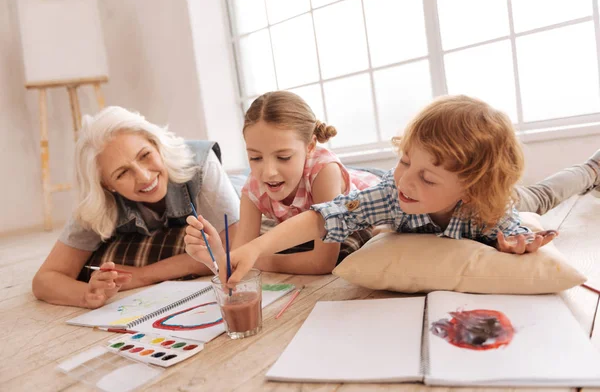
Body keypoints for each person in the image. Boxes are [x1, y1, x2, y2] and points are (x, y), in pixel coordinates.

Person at [206, 95, 599, 288]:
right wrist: (255, 248)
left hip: (509, 198)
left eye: (428, 178)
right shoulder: (392, 193)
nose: (407, 180)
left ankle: (590, 169)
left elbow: (514, 232)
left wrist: (514, 241)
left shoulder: (490, 208)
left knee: (542, 197)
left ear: (472, 186)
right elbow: (324, 215)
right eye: (405, 161)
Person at [31, 106, 240, 308]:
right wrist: (87, 295)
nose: (144, 177)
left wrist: (141, 275)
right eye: (122, 173)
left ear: (155, 143)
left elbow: (232, 249)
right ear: (106, 185)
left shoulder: (200, 163)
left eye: (145, 155)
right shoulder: (98, 200)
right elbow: (46, 279)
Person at [185, 91, 381, 275]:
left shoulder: (324, 172)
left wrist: (257, 260)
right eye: (255, 158)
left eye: (284, 157)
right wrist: (218, 254)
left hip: (364, 189)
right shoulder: (253, 188)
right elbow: (237, 261)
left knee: (349, 251)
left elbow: (322, 262)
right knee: (281, 246)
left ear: (310, 146)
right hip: (301, 222)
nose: (269, 173)